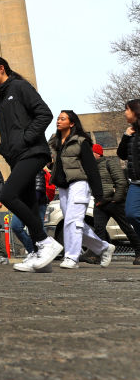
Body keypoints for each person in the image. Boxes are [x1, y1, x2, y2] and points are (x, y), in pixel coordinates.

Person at [0, 56, 63, 273]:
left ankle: (46, 243)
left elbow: (44, 114)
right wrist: (5, 148)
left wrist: (26, 138)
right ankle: (39, 255)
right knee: (29, 203)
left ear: (1, 68)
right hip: (17, 156)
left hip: (33, 151)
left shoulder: (19, 87)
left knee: (8, 196)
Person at [48, 110, 113, 268]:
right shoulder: (54, 141)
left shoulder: (81, 141)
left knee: (72, 221)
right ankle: (104, 248)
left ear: (71, 123)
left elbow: (92, 169)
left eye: (63, 119)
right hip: (63, 187)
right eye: (58, 118)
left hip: (79, 183)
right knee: (74, 223)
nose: (58, 121)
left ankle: (72, 257)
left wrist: (99, 195)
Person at [93, 143, 140, 265]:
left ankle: (139, 252)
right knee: (98, 229)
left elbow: (121, 181)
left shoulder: (109, 163)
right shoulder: (89, 168)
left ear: (97, 153)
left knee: (127, 228)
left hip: (114, 202)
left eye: (91, 153)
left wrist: (116, 199)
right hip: (99, 203)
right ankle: (100, 255)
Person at [117, 99, 140, 245]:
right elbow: (122, 155)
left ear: (136, 111)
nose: (125, 113)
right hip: (135, 183)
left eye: (127, 109)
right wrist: (126, 136)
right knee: (131, 214)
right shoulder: (130, 133)